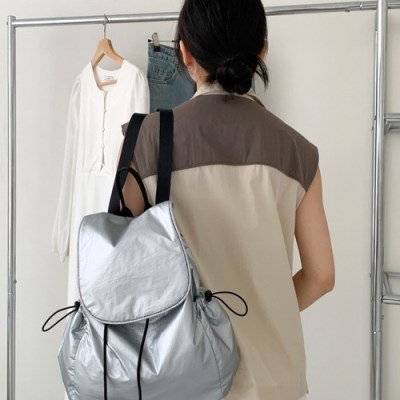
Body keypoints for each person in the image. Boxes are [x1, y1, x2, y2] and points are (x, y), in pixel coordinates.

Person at [122, 0, 335, 399]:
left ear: (184, 52)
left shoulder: (146, 139)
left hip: (177, 378)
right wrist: (264, 312)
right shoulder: (298, 151)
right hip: (274, 380)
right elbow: (321, 276)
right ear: (262, 51)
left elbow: (118, 267)